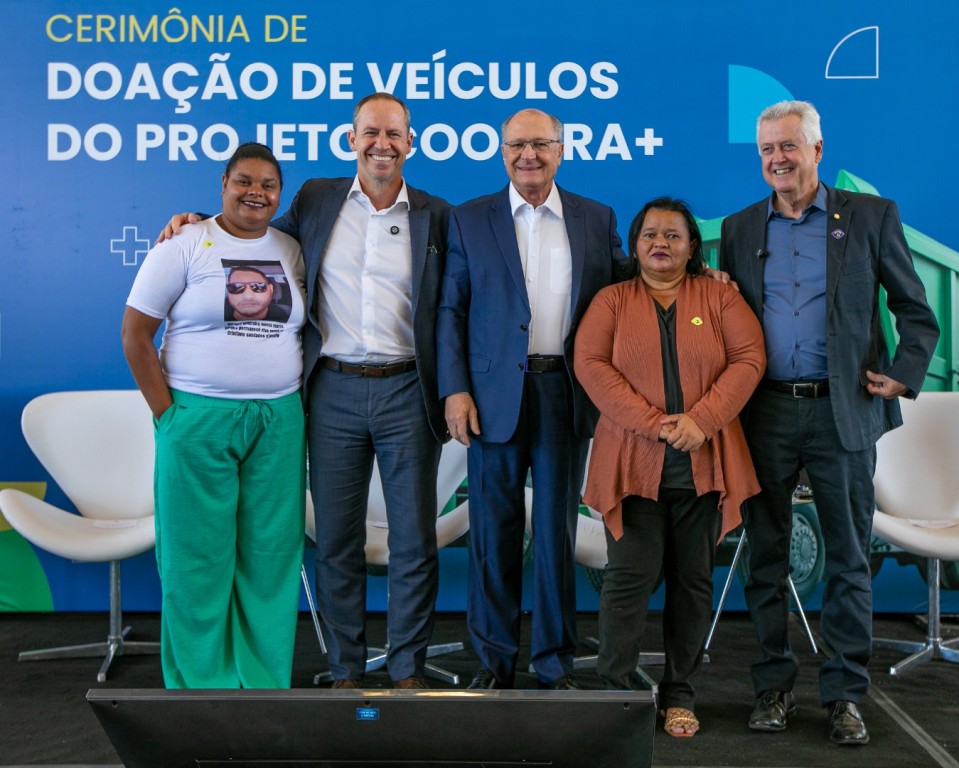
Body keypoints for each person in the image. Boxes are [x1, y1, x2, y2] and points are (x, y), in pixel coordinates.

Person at [162, 92, 450, 689]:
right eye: (370, 132)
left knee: (414, 541)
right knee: (337, 541)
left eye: (394, 134)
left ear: (411, 142)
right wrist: (197, 220)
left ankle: (407, 670)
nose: (382, 144)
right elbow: (251, 233)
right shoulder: (316, 199)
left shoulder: (437, 215)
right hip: (331, 393)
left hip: (407, 390)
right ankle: (345, 669)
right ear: (351, 139)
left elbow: (456, 305)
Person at [719, 100, 940, 745]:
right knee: (766, 556)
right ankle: (773, 688)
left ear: (817, 149)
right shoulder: (739, 227)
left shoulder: (870, 216)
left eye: (789, 146)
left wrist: (903, 371)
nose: (778, 159)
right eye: (767, 149)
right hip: (764, 412)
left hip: (842, 410)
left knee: (847, 559)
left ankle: (844, 694)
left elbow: (915, 309)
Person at [436, 108, 635, 690]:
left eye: (541, 144)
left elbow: (627, 290)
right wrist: (455, 389)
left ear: (561, 150)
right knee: (491, 535)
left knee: (556, 536)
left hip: (564, 393)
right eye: (517, 145)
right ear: (502, 152)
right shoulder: (469, 218)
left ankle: (553, 664)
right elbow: (450, 309)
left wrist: (701, 274)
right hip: (491, 396)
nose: (529, 155)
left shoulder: (596, 218)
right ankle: (493, 662)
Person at [574, 197, 765, 737]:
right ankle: (617, 692)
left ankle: (680, 692)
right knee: (627, 581)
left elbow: (749, 358)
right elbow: (590, 364)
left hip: (704, 464)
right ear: (635, 246)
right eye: (650, 234)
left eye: (673, 235)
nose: (661, 243)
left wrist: (702, 420)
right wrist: (654, 423)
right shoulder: (612, 300)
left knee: (692, 581)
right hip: (633, 466)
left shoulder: (719, 296)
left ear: (692, 246)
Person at [122, 142, 306, 688]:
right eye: (244, 181)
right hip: (197, 419)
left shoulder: (290, 249)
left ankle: (262, 681)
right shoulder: (183, 244)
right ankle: (201, 687)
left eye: (268, 185)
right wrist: (169, 416)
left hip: (279, 421)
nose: (256, 193)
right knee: (195, 557)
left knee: (270, 556)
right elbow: (135, 335)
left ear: (280, 194)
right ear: (223, 184)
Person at [224, 265, 289, 322]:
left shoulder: (286, 313)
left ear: (271, 289)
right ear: (228, 291)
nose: (248, 296)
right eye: (236, 287)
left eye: (258, 286)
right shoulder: (219, 314)